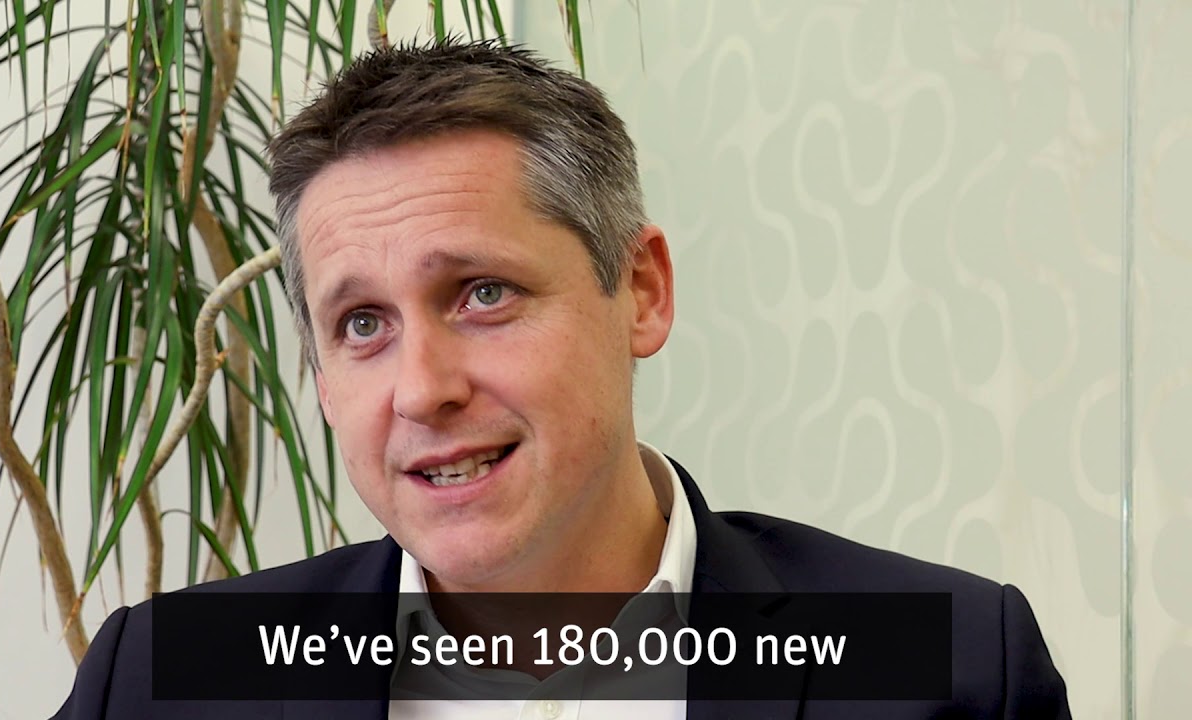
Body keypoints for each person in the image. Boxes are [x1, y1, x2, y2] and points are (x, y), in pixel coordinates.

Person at [52, 39, 1071, 719]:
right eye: (361, 324)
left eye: (482, 293)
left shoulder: (946, 665)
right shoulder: (159, 682)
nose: (421, 389)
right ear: (319, 376)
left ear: (642, 292)